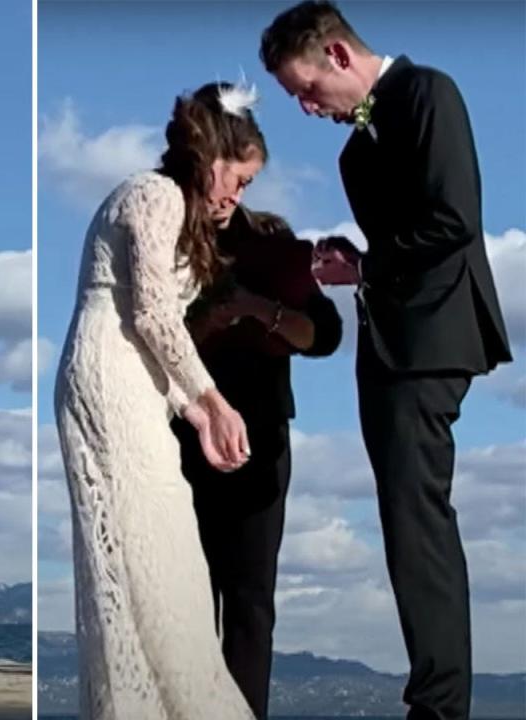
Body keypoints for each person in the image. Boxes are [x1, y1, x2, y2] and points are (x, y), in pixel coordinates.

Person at [260, 3, 512, 718]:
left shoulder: (429, 91)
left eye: (306, 89)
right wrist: (349, 260)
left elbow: (453, 217)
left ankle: (439, 706)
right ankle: (435, 698)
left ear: (338, 56)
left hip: (433, 339)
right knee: (405, 520)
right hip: (385, 345)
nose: (307, 108)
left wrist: (366, 268)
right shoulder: (352, 150)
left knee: (418, 518)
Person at [54, 81, 267, 720]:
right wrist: (216, 402)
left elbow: (158, 328)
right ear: (211, 154)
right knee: (137, 549)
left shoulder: (180, 210)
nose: (237, 195)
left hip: (140, 387)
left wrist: (197, 414)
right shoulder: (153, 194)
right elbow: (150, 313)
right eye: (239, 177)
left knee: (167, 547)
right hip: (107, 377)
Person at [171, 204, 342, 720]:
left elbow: (324, 335)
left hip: (262, 436)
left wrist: (256, 307)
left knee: (249, 598)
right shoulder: (180, 250)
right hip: (185, 432)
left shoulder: (274, 251)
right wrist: (211, 317)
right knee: (187, 590)